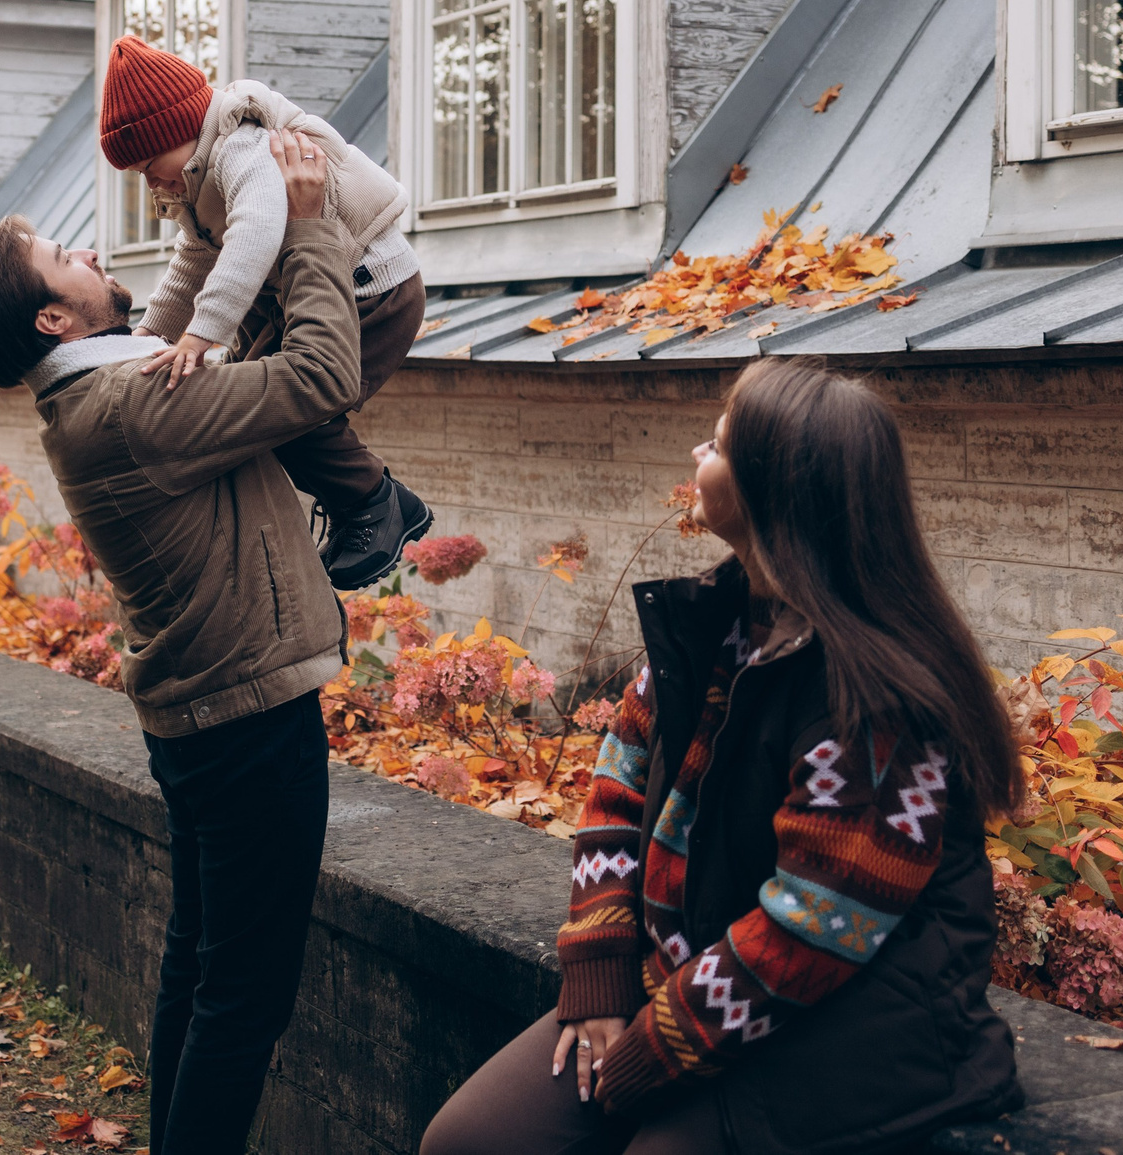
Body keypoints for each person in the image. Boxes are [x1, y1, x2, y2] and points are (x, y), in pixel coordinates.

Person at [423, 359, 1025, 1155]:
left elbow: (815, 927)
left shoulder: (876, 702)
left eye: (716, 443)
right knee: (471, 1141)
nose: (695, 453)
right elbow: (615, 795)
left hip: (862, 1025)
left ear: (776, 488)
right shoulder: (713, 625)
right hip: (699, 976)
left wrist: (646, 1053)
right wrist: (600, 979)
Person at [0, 130, 357, 1155]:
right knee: (244, 1000)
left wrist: (214, 210)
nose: (86, 252)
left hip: (203, 719)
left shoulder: (105, 387)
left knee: (201, 972)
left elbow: (190, 306)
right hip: (249, 718)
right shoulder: (130, 404)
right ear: (53, 316)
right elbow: (320, 375)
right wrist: (307, 230)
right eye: (63, 258)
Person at [97, 34, 431, 589]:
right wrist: (148, 340)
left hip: (373, 291)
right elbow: (194, 263)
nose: (150, 181)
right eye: (137, 173)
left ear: (184, 131)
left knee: (295, 415)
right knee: (256, 414)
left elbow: (255, 233)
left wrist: (202, 334)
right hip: (303, 297)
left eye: (151, 164)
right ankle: (364, 504)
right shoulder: (198, 177)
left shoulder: (240, 145)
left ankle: (377, 504)